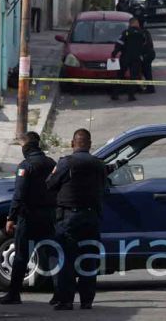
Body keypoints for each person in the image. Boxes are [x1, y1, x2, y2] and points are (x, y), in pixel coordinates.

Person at [47, 129, 106, 311]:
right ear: (89, 144)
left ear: (73, 144)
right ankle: (87, 300)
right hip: (91, 217)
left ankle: (66, 300)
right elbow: (103, 187)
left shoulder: (66, 163)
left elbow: (50, 184)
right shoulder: (99, 164)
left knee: (66, 259)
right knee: (89, 258)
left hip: (69, 218)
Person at [0, 132, 57, 305]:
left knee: (21, 256)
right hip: (49, 215)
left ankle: (14, 294)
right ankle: (59, 293)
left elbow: (19, 194)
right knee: (51, 253)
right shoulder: (51, 163)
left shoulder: (26, 165)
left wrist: (11, 217)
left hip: (29, 216)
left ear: (26, 146)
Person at [111, 17, 146, 101]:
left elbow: (119, 44)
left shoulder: (126, 32)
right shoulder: (142, 33)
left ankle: (115, 94)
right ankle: (131, 96)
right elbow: (144, 45)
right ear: (136, 23)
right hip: (136, 58)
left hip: (125, 57)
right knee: (133, 77)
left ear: (130, 24)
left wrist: (114, 53)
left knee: (120, 75)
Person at [141, 26, 156, 94]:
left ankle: (150, 88)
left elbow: (144, 45)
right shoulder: (146, 32)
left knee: (147, 71)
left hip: (147, 55)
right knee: (147, 71)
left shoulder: (142, 33)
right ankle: (150, 87)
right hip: (150, 53)